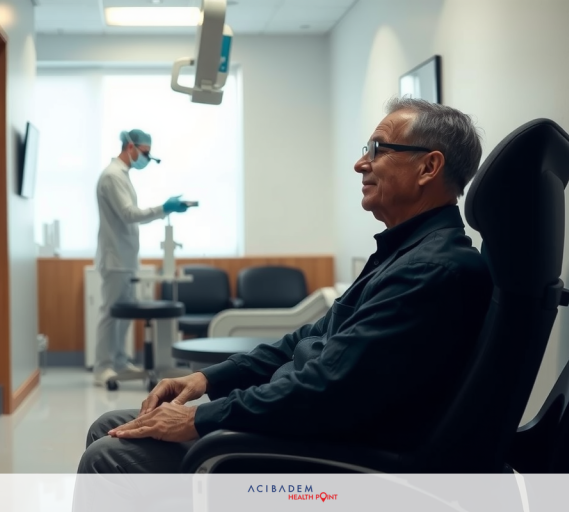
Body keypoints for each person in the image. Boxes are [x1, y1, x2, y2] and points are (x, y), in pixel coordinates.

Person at [78, 99, 493, 472]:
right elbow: (312, 336)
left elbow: (327, 391)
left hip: (331, 450)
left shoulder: (431, 270)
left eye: (377, 150)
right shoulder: (404, 253)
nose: (361, 164)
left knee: (109, 453)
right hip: (303, 419)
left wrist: (200, 418)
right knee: (109, 425)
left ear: (428, 167)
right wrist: (208, 380)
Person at [93, 129, 190, 387]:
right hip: (115, 259)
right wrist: (163, 209)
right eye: (145, 153)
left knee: (122, 316)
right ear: (130, 146)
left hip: (125, 259)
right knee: (110, 314)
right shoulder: (112, 176)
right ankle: (102, 367)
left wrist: (163, 210)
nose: (146, 158)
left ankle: (121, 362)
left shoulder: (122, 176)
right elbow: (129, 214)